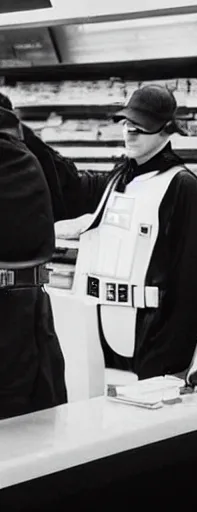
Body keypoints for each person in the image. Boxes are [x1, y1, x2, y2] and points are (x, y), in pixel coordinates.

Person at [50, 85, 197, 380]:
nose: (131, 134)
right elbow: (69, 182)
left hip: (152, 336)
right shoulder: (119, 177)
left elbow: (193, 279)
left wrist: (173, 358)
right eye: (128, 125)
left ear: (166, 131)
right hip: (100, 327)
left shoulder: (182, 186)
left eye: (142, 128)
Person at [0, 96, 67, 419]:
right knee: (34, 412)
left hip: (16, 310)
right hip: (29, 307)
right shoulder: (25, 153)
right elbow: (67, 189)